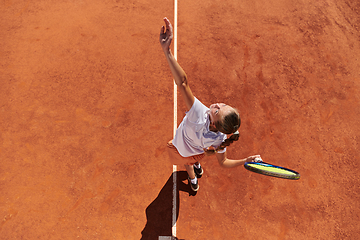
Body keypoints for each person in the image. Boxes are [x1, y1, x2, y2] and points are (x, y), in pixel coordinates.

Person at [160, 17, 262, 192]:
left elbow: (183, 82)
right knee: (194, 159)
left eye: (217, 110)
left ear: (214, 123)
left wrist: (167, 51)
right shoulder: (220, 139)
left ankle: (193, 179)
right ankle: (195, 177)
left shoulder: (198, 114)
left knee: (187, 164)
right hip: (198, 152)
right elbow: (223, 162)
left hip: (183, 151)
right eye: (223, 105)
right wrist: (245, 160)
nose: (217, 105)